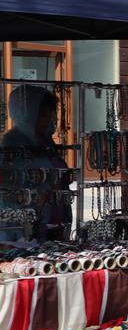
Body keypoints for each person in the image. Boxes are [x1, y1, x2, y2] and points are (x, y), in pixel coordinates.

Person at [1, 85, 72, 241]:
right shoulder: (12, 141)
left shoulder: (45, 139)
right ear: (28, 114)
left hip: (54, 217)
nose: (48, 120)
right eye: (43, 115)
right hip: (26, 225)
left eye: (49, 114)